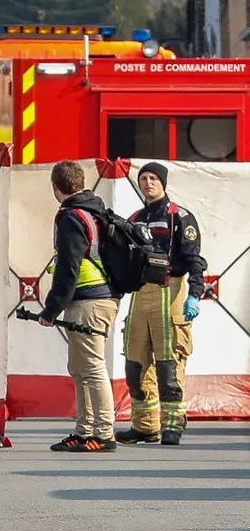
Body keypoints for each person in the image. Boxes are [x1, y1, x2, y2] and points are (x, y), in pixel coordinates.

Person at [117, 162, 206, 446]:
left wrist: (195, 293)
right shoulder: (134, 218)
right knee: (135, 364)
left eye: (153, 177)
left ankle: (172, 426)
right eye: (143, 178)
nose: (147, 182)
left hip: (172, 291)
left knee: (169, 365)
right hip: (140, 294)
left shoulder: (180, 216)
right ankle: (145, 426)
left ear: (163, 182)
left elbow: (194, 260)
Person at [38, 161, 122, 453]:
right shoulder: (95, 210)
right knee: (79, 368)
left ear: (55, 186)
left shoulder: (72, 217)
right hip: (99, 298)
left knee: (93, 367)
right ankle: (85, 431)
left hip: (89, 299)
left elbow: (68, 267)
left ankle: (104, 432)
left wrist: (51, 310)